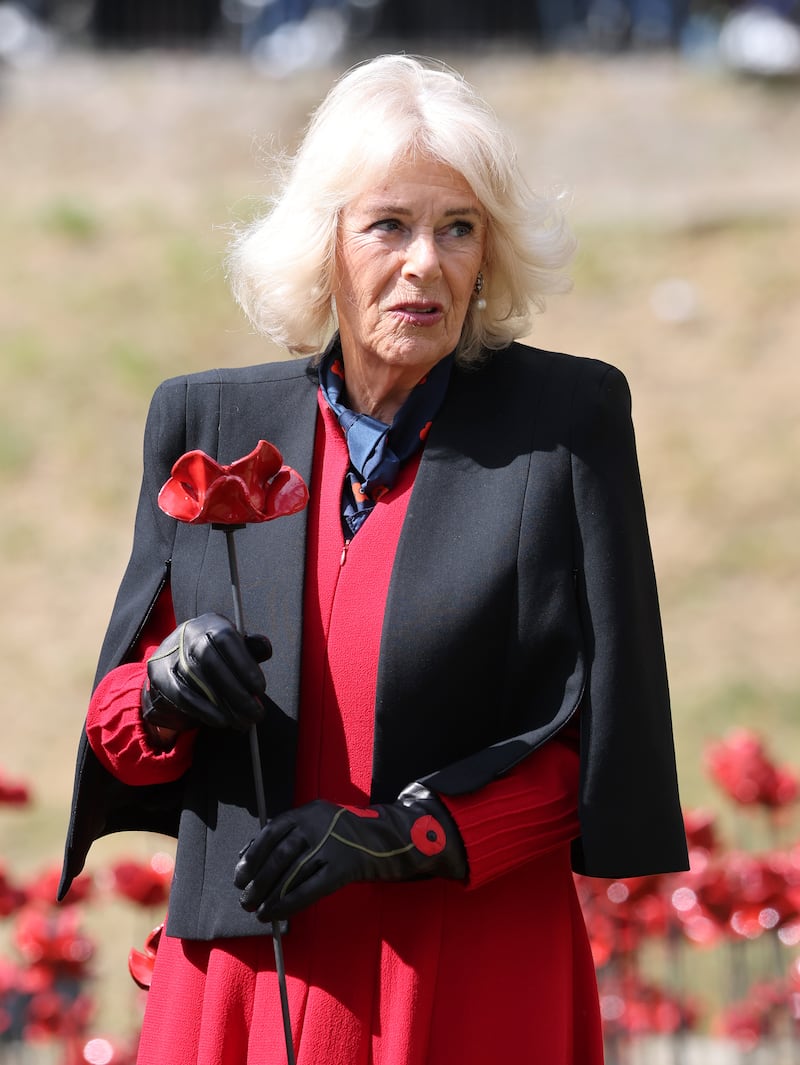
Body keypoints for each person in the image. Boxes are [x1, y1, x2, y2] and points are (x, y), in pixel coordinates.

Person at [59, 54, 688, 1065]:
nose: (424, 264)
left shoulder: (563, 426)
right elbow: (117, 730)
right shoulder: (206, 421)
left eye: (458, 228)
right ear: (327, 242)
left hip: (470, 969)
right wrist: (164, 690)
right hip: (244, 977)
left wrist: (400, 836)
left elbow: (591, 749)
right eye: (387, 225)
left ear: (488, 255)